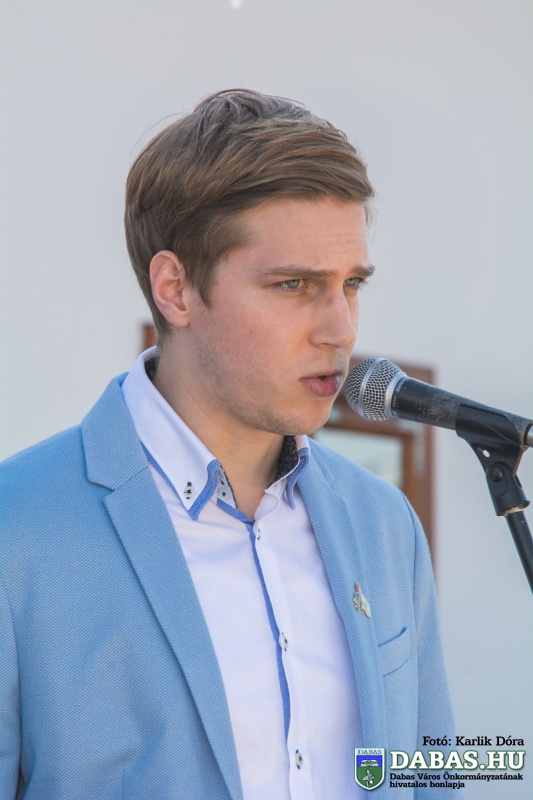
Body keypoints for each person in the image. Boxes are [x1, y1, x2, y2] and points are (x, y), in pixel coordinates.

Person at [0, 89, 459, 799]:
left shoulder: (382, 522)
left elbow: (430, 775)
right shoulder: (18, 528)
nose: (340, 328)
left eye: (351, 284)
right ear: (175, 289)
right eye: (293, 284)